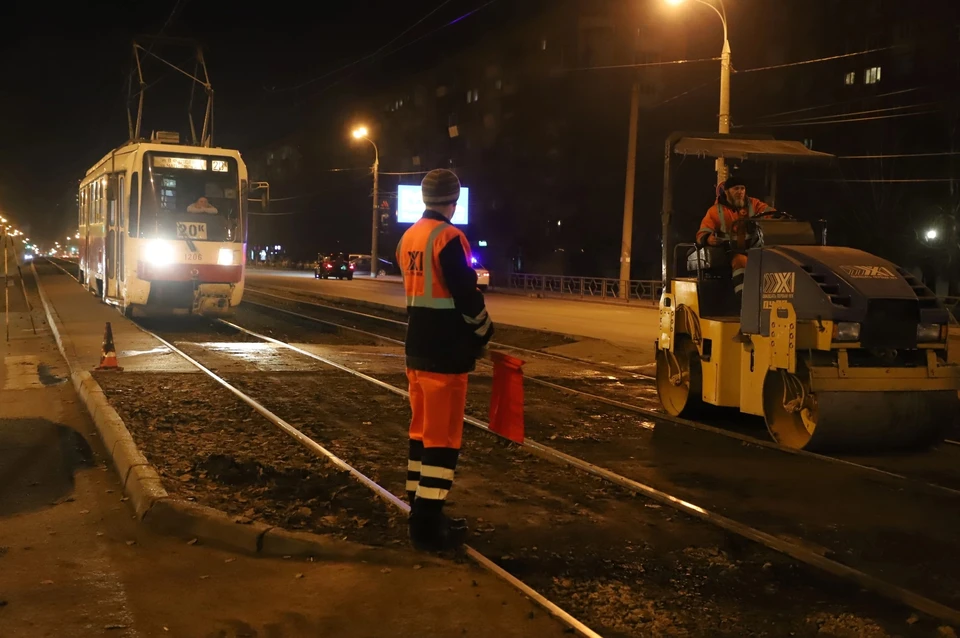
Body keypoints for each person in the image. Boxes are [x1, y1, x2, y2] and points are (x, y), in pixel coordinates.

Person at [397, 168, 494, 552]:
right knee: (444, 437)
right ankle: (427, 525)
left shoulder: (409, 237)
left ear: (424, 199)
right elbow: (467, 295)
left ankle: (418, 508)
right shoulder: (450, 237)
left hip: (416, 348)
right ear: (453, 202)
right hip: (446, 351)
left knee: (421, 432)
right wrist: (484, 331)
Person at [695, 174, 775, 301]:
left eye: (742, 188)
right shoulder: (715, 211)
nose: (740, 192)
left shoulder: (754, 204)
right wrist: (708, 239)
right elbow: (702, 233)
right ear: (727, 192)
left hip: (754, 250)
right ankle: (744, 301)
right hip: (728, 252)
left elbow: (772, 214)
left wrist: (782, 219)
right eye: (736, 189)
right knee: (741, 261)